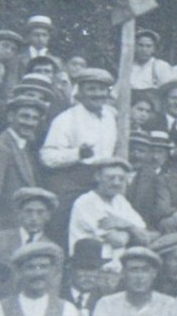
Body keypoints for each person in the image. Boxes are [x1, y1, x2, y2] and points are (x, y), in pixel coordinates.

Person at [39, 67, 119, 227]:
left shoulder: (111, 116)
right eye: (91, 89)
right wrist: (77, 154)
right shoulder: (66, 119)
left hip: (103, 182)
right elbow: (47, 157)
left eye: (102, 89)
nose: (97, 94)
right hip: (73, 181)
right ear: (80, 92)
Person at [128, 28, 174, 94]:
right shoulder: (128, 67)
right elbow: (116, 91)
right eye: (140, 45)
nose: (144, 49)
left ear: (154, 49)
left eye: (148, 46)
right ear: (135, 47)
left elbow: (168, 91)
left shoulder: (161, 66)